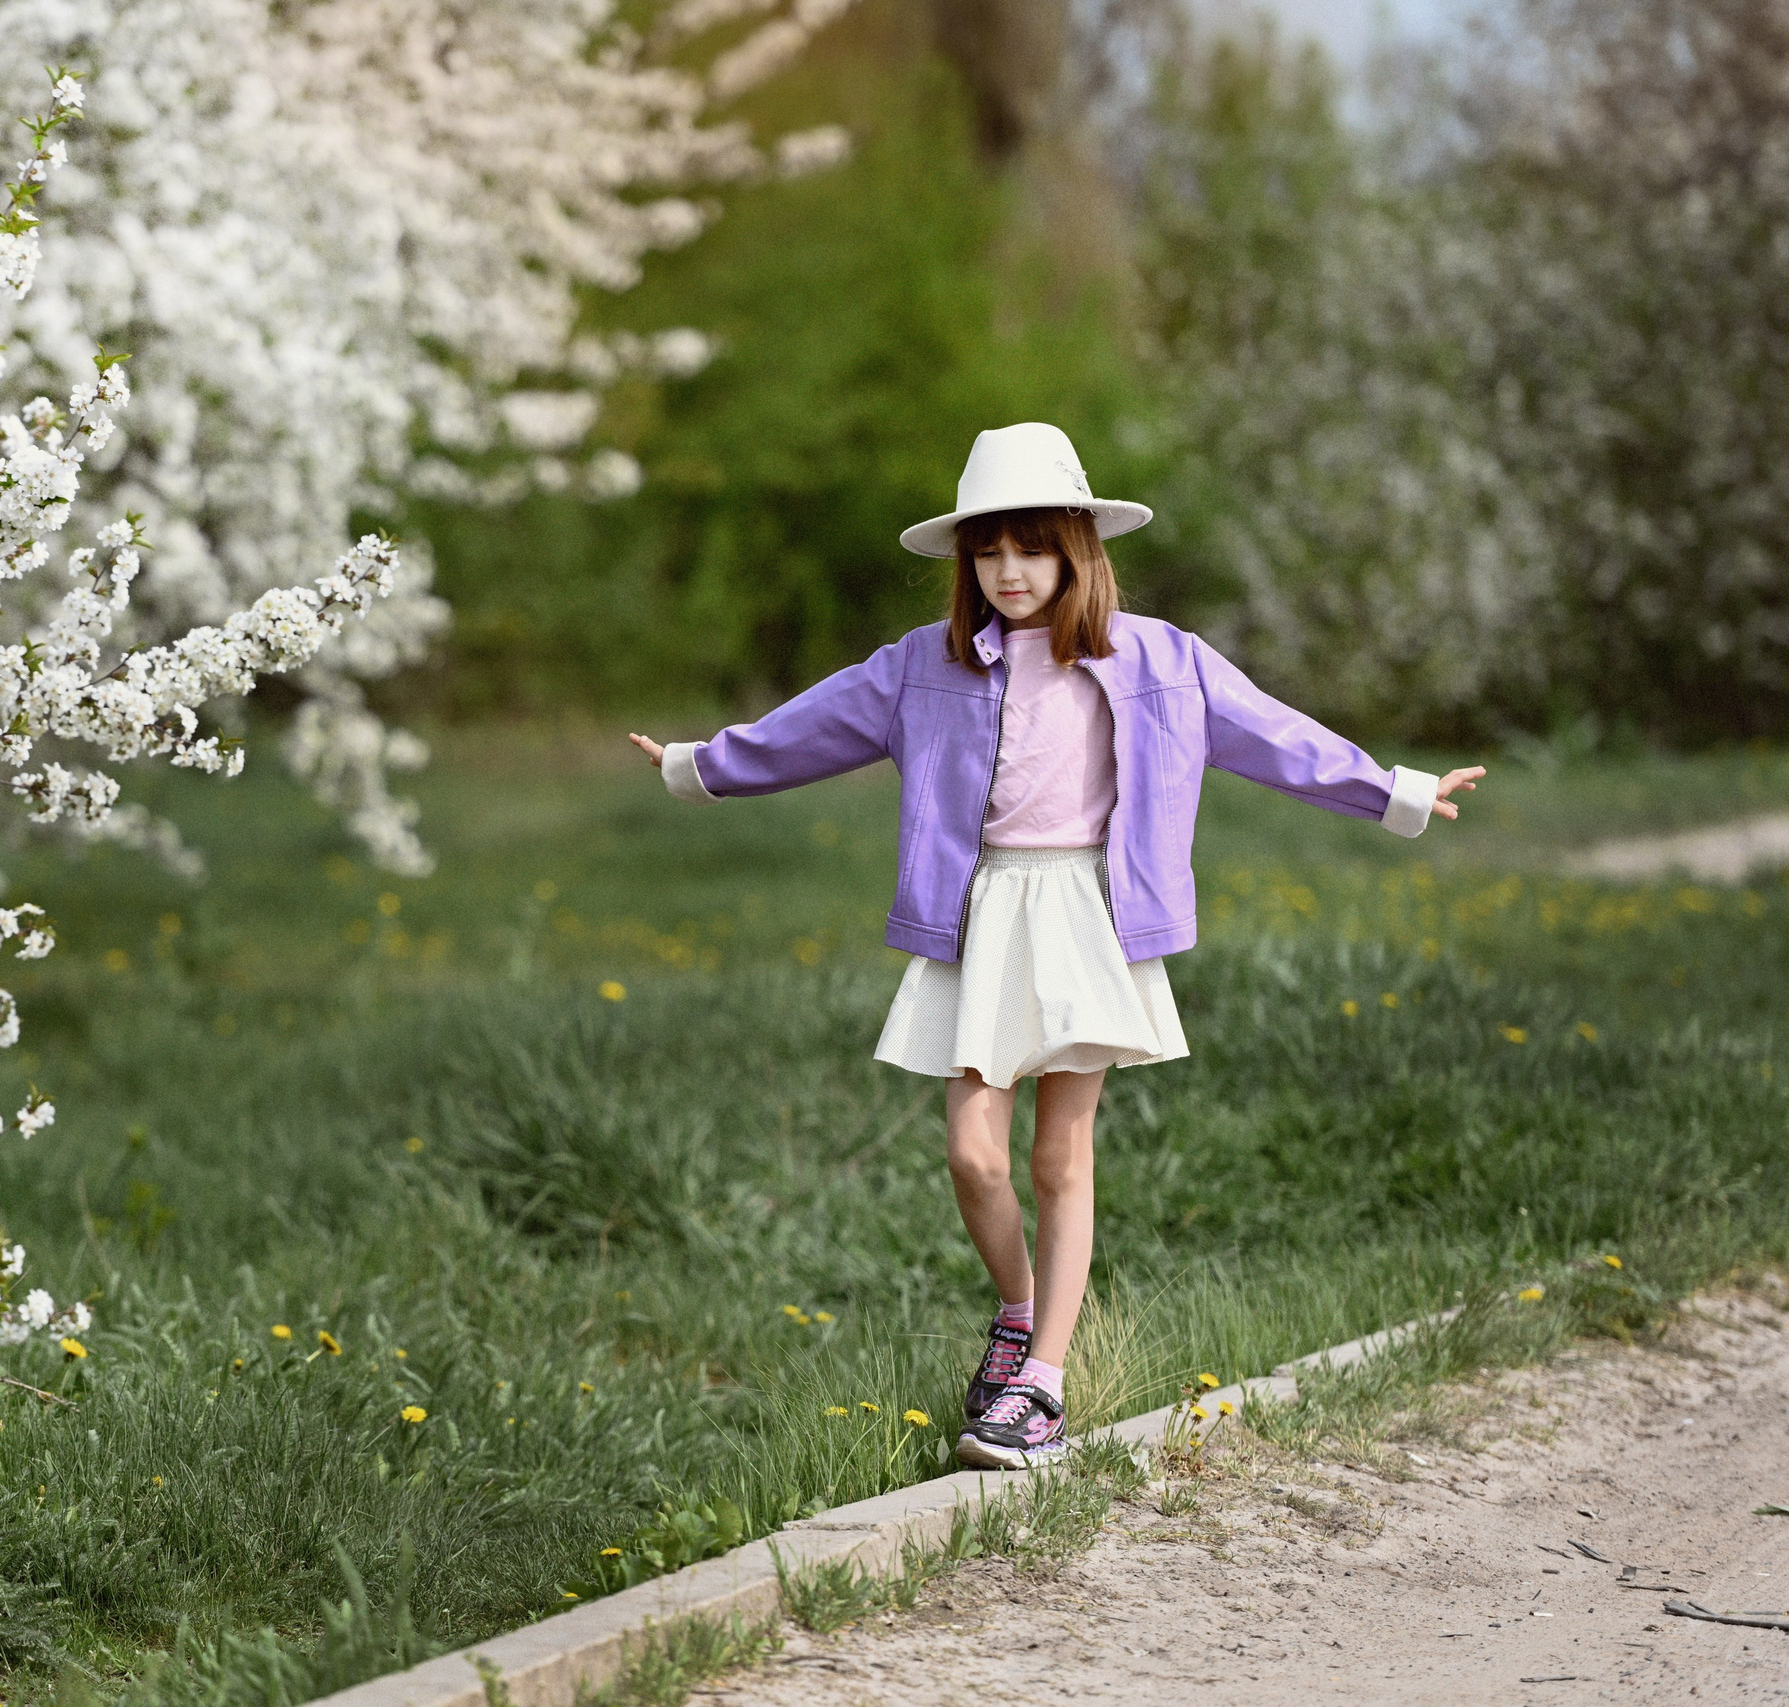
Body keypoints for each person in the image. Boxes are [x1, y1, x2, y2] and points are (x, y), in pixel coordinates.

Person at [628, 423, 1485, 1469]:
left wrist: (1393, 790)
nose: (1008, 572)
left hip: (1090, 914)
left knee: (1055, 1157)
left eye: (1030, 549)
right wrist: (695, 765)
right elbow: (809, 725)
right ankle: (1017, 1311)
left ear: (1077, 549)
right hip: (982, 917)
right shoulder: (922, 667)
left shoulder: (1161, 658)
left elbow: (1275, 736)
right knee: (970, 1152)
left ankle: (1043, 1385)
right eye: (988, 552)